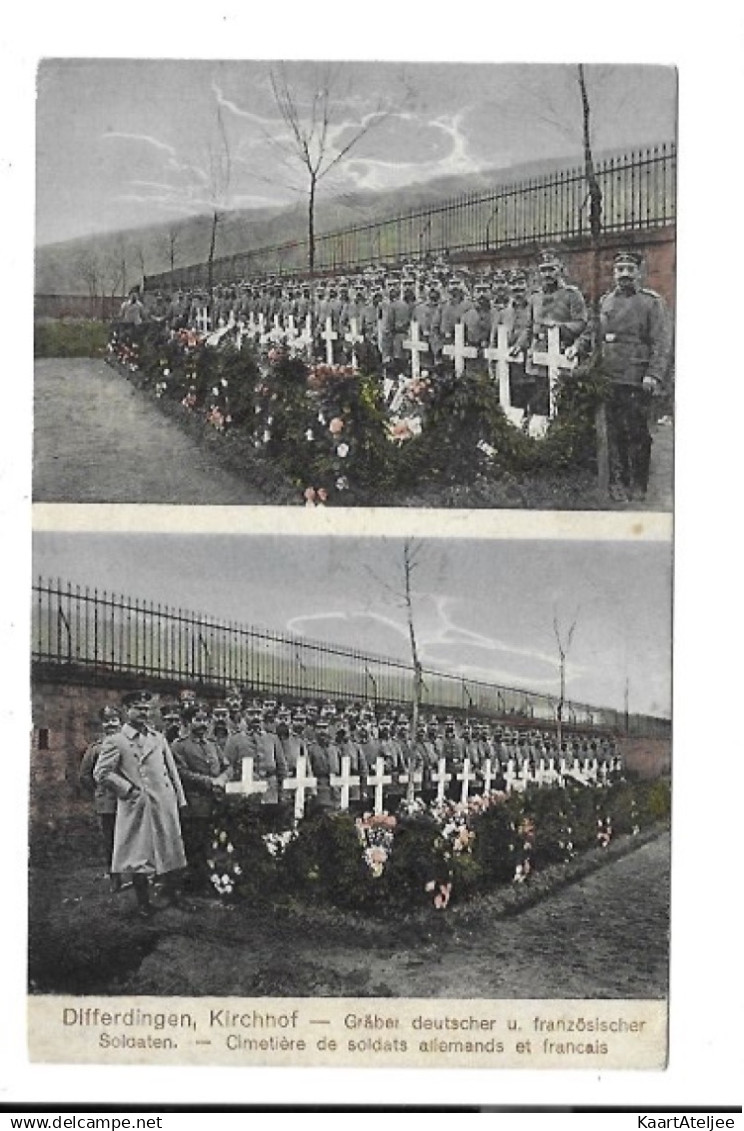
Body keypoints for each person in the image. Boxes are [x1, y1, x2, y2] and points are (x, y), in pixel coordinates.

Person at [93, 690, 188, 919]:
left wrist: (179, 798)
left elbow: (171, 771)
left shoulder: (158, 737)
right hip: (138, 804)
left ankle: (174, 896)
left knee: (171, 849)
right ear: (127, 711)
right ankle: (144, 902)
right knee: (139, 854)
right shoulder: (117, 740)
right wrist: (128, 790)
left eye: (147, 709)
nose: (144, 712)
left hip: (163, 801)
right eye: (138, 708)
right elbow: (101, 772)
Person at [590, 250, 671, 500]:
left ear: (639, 272)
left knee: (637, 432)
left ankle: (639, 485)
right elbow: (596, 334)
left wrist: (654, 375)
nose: (624, 274)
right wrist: (578, 349)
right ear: (614, 273)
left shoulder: (651, 302)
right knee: (613, 432)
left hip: (637, 378)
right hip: (610, 376)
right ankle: (619, 483)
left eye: (629, 269)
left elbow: (662, 342)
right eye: (619, 269)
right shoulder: (606, 301)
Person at [513, 250, 587, 415]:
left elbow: (581, 324)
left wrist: (559, 327)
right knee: (539, 402)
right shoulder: (535, 298)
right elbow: (529, 327)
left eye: (551, 269)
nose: (547, 274)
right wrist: (519, 344)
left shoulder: (572, 295)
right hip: (538, 356)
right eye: (543, 270)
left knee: (561, 402)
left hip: (561, 353)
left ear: (560, 269)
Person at [172, 707, 230, 892]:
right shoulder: (179, 746)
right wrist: (209, 781)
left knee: (213, 843)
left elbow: (228, 767)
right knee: (195, 844)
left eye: (205, 720)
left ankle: (214, 879)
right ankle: (195, 883)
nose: (203, 724)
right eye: (198, 720)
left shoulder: (213, 744)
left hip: (216, 802)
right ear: (188, 723)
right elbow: (181, 773)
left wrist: (222, 779)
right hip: (194, 803)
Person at [78, 705, 123, 892]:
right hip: (107, 803)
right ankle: (115, 877)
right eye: (107, 720)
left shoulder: (127, 744)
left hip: (128, 800)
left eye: (114, 720)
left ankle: (137, 876)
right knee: (110, 840)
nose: (111, 724)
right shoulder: (96, 749)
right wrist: (99, 791)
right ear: (102, 724)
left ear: (121, 722)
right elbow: (84, 775)